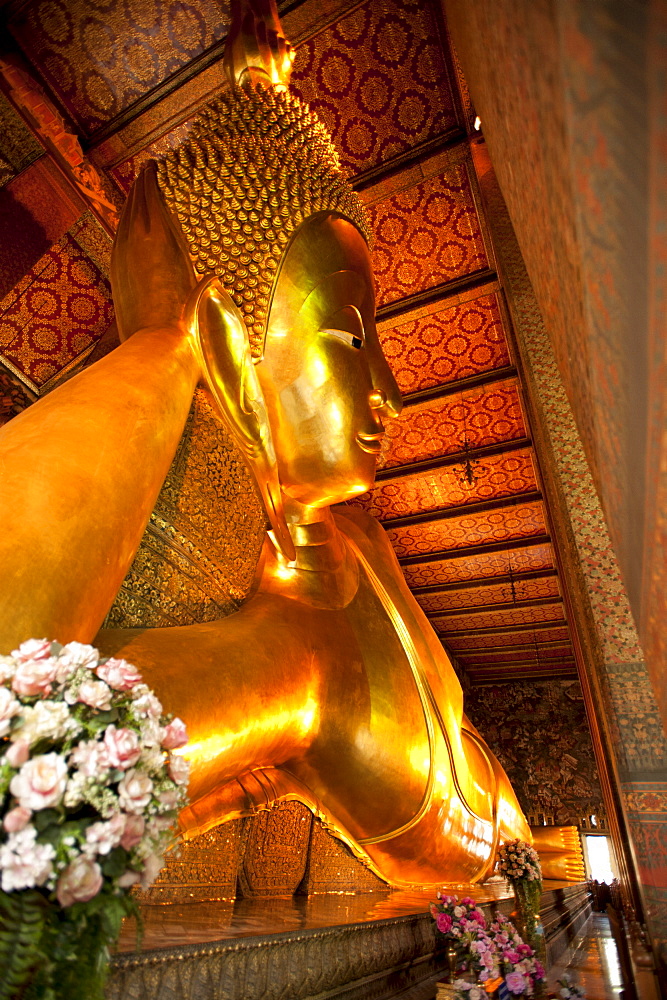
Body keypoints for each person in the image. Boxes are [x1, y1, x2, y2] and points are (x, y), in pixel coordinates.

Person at [0, 3, 530, 886]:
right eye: (354, 340)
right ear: (235, 361)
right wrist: (160, 354)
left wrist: (261, 89)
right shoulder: (289, 661)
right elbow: (33, 756)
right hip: (459, 846)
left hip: (495, 810)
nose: (393, 391)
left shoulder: (356, 534)